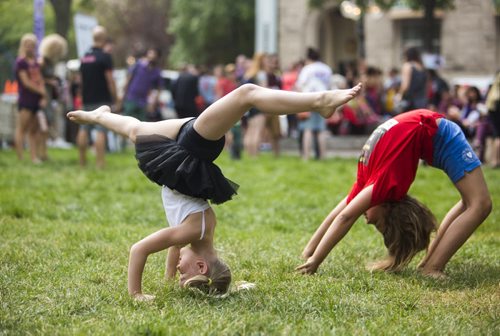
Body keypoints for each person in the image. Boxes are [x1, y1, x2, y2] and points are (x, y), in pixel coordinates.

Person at [67, 82, 363, 301]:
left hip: (186, 151)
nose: (180, 269)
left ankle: (98, 116)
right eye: (185, 271)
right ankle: (320, 101)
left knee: (135, 130)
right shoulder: (191, 233)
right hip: (189, 151)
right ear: (200, 264)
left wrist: (172, 278)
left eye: (180, 272)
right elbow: (139, 250)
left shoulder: (203, 230)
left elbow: (175, 246)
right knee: (246, 94)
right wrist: (136, 295)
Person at [297, 109, 492, 279]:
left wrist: (315, 260)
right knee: (475, 203)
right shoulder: (373, 182)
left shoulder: (382, 185)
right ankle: (431, 265)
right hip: (436, 136)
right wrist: (309, 251)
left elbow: (345, 216)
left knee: (478, 204)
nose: (366, 220)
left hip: (442, 135)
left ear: (387, 206)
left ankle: (432, 265)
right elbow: (341, 213)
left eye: (378, 223)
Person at [77, 25, 117, 168]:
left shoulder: (84, 57)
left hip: (87, 98)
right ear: (104, 38)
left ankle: (82, 162)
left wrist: (81, 96)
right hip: (102, 99)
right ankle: (100, 163)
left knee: (83, 129)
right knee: (101, 130)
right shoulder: (105, 57)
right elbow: (110, 80)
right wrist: (116, 98)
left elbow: (80, 80)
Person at [295, 47, 332, 160]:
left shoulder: (307, 69)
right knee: (321, 130)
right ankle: (323, 156)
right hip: (323, 100)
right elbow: (329, 86)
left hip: (309, 100)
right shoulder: (327, 69)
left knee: (308, 129)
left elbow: (299, 85)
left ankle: (306, 156)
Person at [14, 33, 46, 163]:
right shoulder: (20, 63)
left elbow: (40, 79)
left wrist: (43, 96)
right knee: (22, 128)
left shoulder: (36, 63)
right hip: (25, 99)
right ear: (23, 46)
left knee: (34, 130)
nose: (30, 48)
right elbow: (26, 83)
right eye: (27, 45)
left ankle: (34, 157)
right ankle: (20, 157)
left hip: (35, 100)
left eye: (32, 46)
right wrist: (42, 92)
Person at [119, 48, 163, 122]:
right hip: (131, 98)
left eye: (154, 54)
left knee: (141, 125)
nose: (152, 56)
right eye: (150, 53)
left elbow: (159, 88)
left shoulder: (156, 72)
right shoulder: (138, 65)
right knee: (126, 123)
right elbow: (128, 79)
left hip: (143, 102)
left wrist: (154, 102)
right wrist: (122, 95)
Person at [396, 47, 428, 112]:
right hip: (422, 100)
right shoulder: (422, 67)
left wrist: (399, 94)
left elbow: (405, 86)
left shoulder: (407, 66)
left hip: (411, 101)